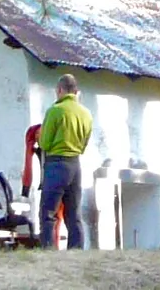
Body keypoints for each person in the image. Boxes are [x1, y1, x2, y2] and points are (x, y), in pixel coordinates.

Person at [37, 73, 94, 249]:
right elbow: (84, 144)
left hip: (56, 164)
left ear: (59, 90)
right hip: (75, 165)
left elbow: (45, 143)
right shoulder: (86, 114)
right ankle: (76, 249)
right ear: (76, 92)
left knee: (48, 211)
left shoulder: (55, 111)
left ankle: (47, 248)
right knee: (73, 212)